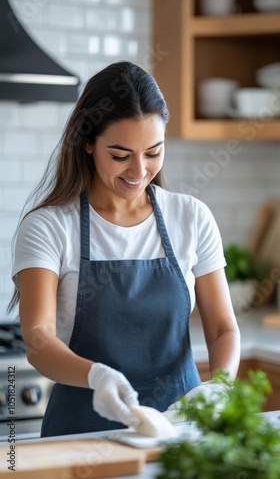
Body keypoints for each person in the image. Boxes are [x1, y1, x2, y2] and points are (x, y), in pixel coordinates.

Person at [8, 60, 240, 438]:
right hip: (80, 436)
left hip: (179, 433)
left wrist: (222, 384)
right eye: (120, 155)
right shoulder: (49, 226)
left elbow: (222, 329)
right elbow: (38, 339)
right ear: (87, 142)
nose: (138, 171)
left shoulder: (191, 217)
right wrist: (96, 375)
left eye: (153, 152)